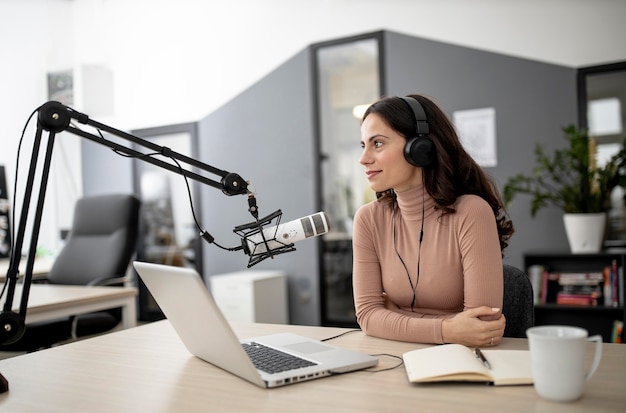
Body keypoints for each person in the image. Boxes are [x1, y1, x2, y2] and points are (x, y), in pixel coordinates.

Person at [353, 94, 514, 347]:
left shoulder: (471, 212)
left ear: (420, 148)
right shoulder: (368, 219)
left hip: (462, 361)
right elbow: (368, 316)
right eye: (364, 145)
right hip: (396, 356)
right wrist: (448, 328)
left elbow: (481, 329)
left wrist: (396, 315)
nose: (364, 158)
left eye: (379, 143)